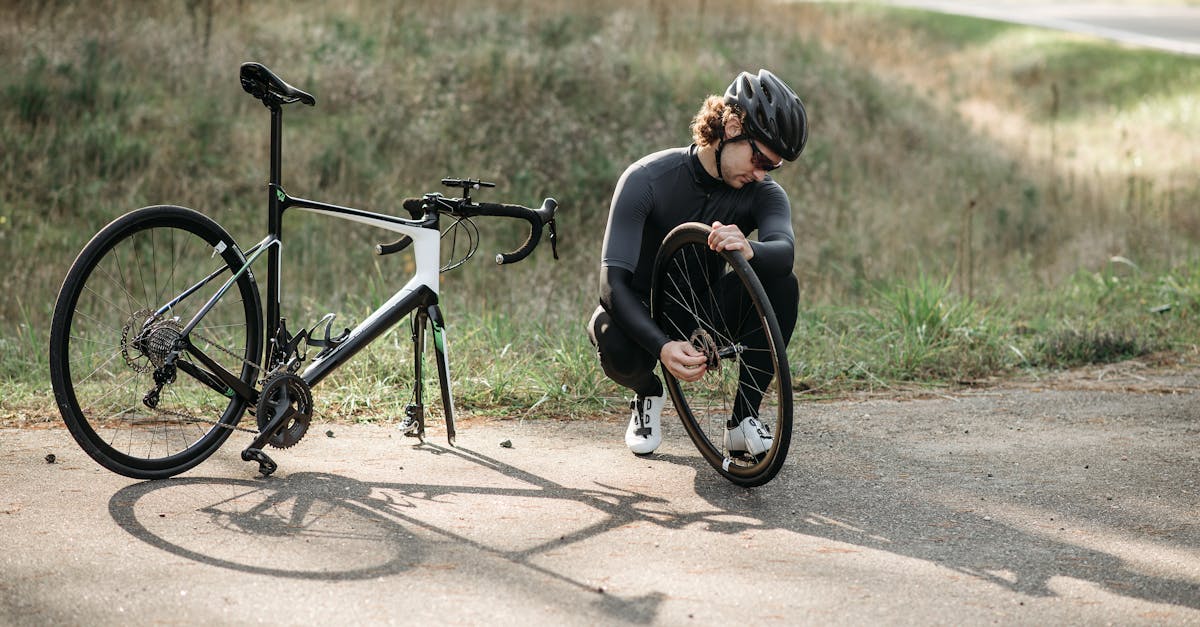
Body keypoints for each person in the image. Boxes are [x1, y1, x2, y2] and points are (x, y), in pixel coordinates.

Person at [588, 69, 807, 456]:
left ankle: (743, 420)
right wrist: (661, 347)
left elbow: (784, 251)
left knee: (782, 283)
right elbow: (611, 285)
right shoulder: (647, 179)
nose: (761, 174)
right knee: (609, 334)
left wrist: (750, 248)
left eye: (771, 167)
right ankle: (647, 392)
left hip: (701, 312)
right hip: (640, 314)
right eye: (759, 158)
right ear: (732, 127)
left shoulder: (762, 192)